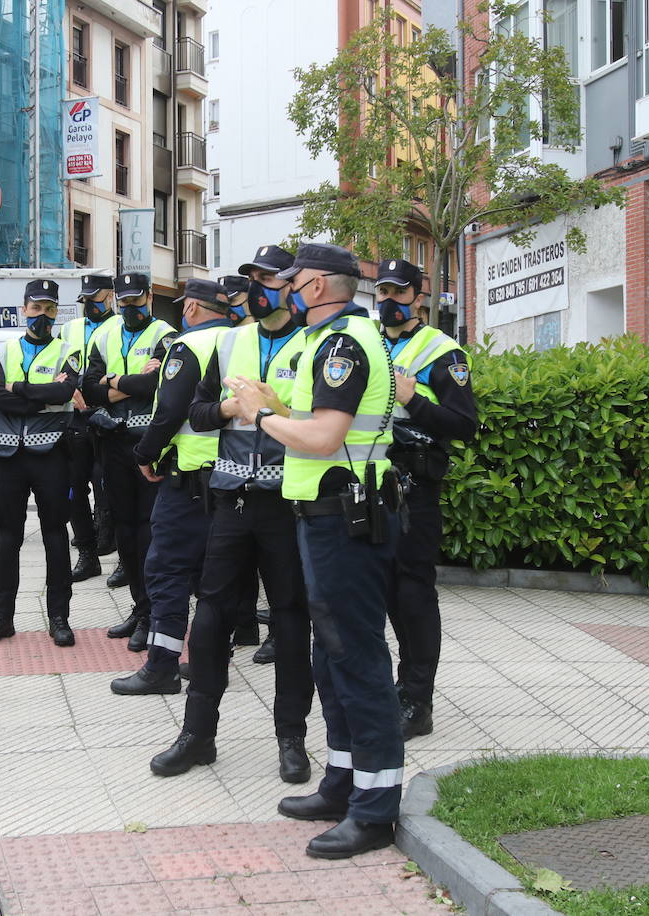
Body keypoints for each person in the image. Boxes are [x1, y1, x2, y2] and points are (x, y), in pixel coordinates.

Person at [225, 243, 403, 860]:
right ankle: (343, 782)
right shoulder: (334, 340)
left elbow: (326, 437)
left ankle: (376, 807)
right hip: (325, 515)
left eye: (293, 280)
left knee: (356, 658)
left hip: (343, 517)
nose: (284, 289)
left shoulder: (342, 345)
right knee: (332, 659)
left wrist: (259, 417)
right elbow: (317, 417)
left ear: (322, 285)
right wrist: (275, 405)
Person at [150, 266, 315, 781]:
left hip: (286, 506)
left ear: (293, 286)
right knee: (213, 616)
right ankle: (197, 735)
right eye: (255, 281)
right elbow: (196, 413)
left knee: (290, 621)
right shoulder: (229, 343)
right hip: (230, 501)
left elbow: (327, 424)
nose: (258, 291)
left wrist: (273, 407)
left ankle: (292, 739)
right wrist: (230, 407)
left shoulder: (315, 345)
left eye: (270, 280)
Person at [109, 279, 233, 695]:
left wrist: (144, 455)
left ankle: (161, 666)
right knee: (214, 579)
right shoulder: (241, 342)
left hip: (189, 480)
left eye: (185, 307)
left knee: (165, 571)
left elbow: (169, 412)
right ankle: (209, 662)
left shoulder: (188, 346)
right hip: (232, 477)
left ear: (194, 308)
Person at [374, 258, 476, 740]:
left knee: (412, 595)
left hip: (416, 489)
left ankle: (418, 700)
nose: (387, 301)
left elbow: (464, 425)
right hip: (371, 484)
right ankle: (392, 689)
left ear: (419, 295)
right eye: (382, 291)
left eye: (397, 292)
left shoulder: (443, 351)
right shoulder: (368, 342)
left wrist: (415, 400)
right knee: (381, 592)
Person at [0, 279, 81, 647]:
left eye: (49, 309)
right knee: (6, 537)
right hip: (7, 458)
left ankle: (59, 618)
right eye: (36, 308)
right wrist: (40, 399)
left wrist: (18, 389)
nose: (42, 315)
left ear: (56, 312)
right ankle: (0, 617)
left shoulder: (68, 351)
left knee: (55, 536)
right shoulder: (4, 350)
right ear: (24, 309)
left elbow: (64, 392)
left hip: (51, 455)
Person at [81, 273, 175, 651]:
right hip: (113, 445)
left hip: (149, 446)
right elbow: (88, 389)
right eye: (124, 302)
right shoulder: (103, 334)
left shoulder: (165, 334)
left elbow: (160, 386)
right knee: (125, 532)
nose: (129, 309)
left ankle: (154, 614)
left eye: (136, 301)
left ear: (150, 298)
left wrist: (112, 384)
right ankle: (139, 607)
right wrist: (129, 383)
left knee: (150, 533)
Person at [61, 274, 117, 583]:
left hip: (108, 413)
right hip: (76, 416)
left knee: (107, 483)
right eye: (85, 298)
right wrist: (71, 390)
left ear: (109, 296)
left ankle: (112, 540)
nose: (88, 303)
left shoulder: (120, 327)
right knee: (74, 486)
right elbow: (62, 366)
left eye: (94, 297)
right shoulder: (70, 328)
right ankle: (86, 552)